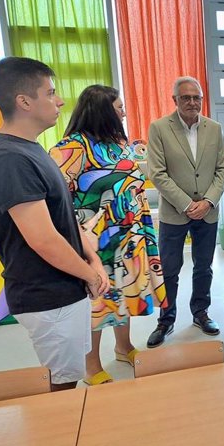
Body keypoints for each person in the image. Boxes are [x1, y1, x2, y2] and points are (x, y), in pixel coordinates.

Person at [0, 57, 109, 391]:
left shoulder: (31, 150)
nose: (60, 101)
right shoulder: (10, 160)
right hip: (46, 295)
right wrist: (91, 273)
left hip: (66, 289)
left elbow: (62, 216)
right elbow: (43, 239)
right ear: (24, 102)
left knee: (71, 377)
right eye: (50, 93)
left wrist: (92, 259)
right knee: (61, 387)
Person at [49, 85, 167, 385]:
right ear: (103, 110)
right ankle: (91, 366)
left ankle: (123, 346)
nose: (124, 112)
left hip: (129, 233)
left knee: (124, 294)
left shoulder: (118, 143)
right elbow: (57, 198)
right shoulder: (72, 147)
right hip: (95, 242)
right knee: (98, 301)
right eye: (119, 106)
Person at [145, 76, 224, 348]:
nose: (192, 102)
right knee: (169, 268)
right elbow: (157, 173)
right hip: (174, 212)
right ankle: (166, 319)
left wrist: (207, 202)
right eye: (186, 98)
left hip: (208, 211)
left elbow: (222, 170)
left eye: (197, 98)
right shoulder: (159, 128)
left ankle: (200, 312)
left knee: (204, 266)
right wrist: (186, 204)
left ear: (202, 100)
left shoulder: (214, 129)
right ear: (175, 101)